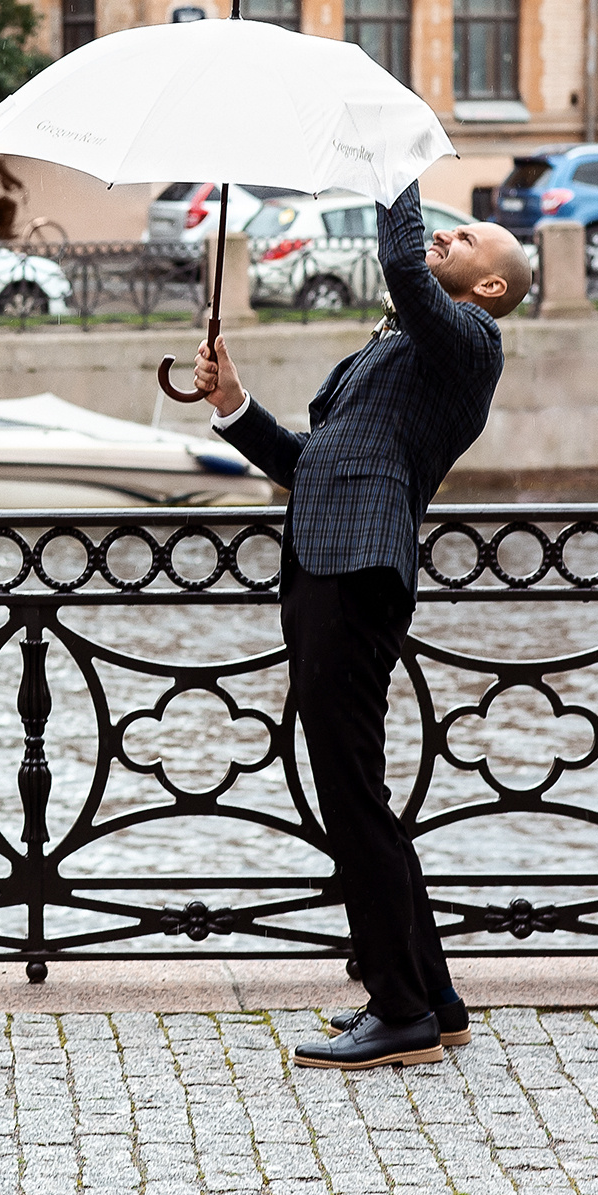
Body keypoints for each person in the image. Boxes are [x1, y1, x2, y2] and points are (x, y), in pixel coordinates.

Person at [193, 183, 531, 1071]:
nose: (445, 238)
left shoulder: (471, 341)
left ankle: (399, 1011)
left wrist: (395, 176)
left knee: (350, 798)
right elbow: (314, 465)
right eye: (446, 228)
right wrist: (234, 406)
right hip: (326, 561)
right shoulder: (395, 349)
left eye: (465, 239)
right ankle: (433, 998)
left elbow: (402, 268)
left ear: (489, 288)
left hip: (356, 577)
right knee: (357, 794)